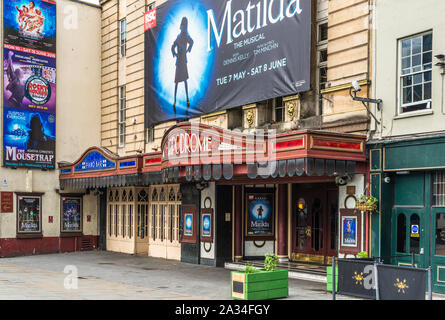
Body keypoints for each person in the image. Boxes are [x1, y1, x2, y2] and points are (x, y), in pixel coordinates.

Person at [171, 17, 194, 117]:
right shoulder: (179, 36)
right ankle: (175, 100)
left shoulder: (185, 35)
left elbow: (192, 41)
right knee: (177, 81)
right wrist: (175, 54)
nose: (182, 27)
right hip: (179, 60)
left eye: (183, 25)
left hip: (183, 60)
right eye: (182, 25)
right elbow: (172, 46)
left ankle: (187, 98)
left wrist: (188, 49)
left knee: (184, 80)